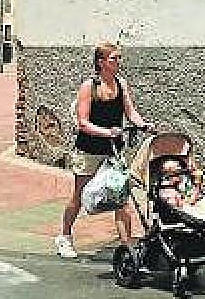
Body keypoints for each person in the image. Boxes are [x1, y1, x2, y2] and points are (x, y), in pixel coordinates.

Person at [55, 42, 149, 259]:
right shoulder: (89, 86)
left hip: (113, 151)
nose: (118, 62)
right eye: (114, 58)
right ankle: (65, 237)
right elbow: (83, 122)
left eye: (118, 58)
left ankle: (127, 248)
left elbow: (131, 111)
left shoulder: (121, 84)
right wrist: (108, 132)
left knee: (121, 197)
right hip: (88, 149)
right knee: (79, 196)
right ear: (101, 62)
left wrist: (142, 124)